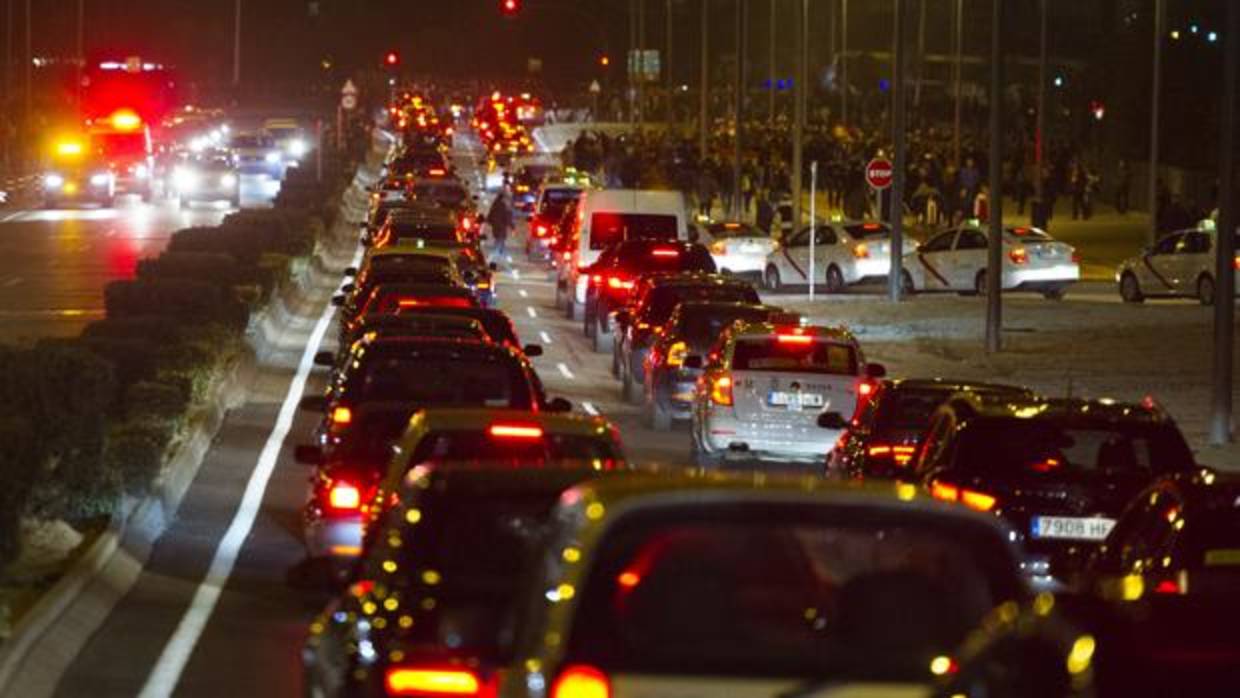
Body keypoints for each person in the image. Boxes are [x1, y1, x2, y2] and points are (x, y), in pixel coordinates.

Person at [486, 192, 513, 259]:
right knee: (499, 241)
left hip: (495, 227)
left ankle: (501, 255)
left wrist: (490, 223)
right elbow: (508, 218)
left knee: (499, 240)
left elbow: (490, 216)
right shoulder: (504, 207)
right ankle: (494, 257)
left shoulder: (495, 204)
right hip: (501, 227)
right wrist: (512, 226)